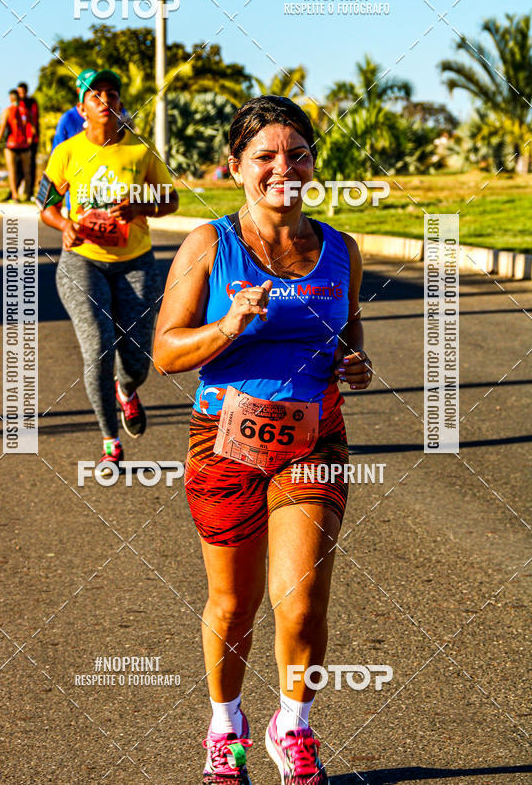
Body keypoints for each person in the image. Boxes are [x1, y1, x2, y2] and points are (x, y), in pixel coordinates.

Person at [153, 95, 372, 784]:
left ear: (314, 164)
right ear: (236, 168)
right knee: (233, 604)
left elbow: (348, 331)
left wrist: (353, 363)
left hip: (314, 438)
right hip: (224, 441)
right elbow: (164, 351)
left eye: (298, 154)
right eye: (266, 157)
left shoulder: (341, 249)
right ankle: (226, 724)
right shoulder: (207, 245)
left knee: (302, 598)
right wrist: (227, 328)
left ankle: (294, 725)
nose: (285, 167)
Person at [38, 68, 178, 468]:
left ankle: (127, 392)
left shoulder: (139, 152)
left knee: (135, 362)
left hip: (136, 262)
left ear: (120, 105)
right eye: (95, 95)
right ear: (82, 108)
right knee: (98, 349)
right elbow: (45, 205)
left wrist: (140, 208)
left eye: (112, 94)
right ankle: (109, 441)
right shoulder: (67, 153)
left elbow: (170, 200)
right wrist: (64, 225)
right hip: (82, 262)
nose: (105, 101)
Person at [0, 89, 33, 202]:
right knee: (27, 172)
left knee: (12, 172)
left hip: (11, 145)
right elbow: (31, 127)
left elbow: (2, 128)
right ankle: (27, 194)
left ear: (10, 98)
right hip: (24, 145)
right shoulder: (26, 111)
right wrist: (29, 139)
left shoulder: (7, 111)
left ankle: (15, 195)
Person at [17, 81, 39, 195]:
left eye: (22, 92)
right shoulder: (17, 103)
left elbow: (32, 119)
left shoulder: (31, 103)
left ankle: (29, 192)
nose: (20, 94)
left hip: (31, 140)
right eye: (18, 92)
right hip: (19, 141)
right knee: (18, 167)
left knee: (30, 167)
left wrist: (30, 135)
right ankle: (14, 191)